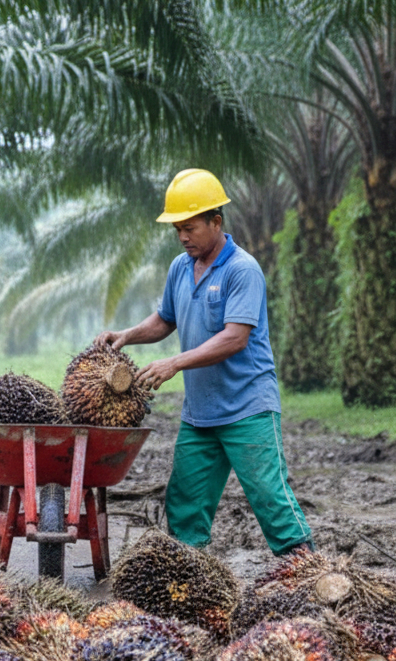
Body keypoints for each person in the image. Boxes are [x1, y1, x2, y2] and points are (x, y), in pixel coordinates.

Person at [95, 168, 313, 556]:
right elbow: (165, 319)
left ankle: (309, 574)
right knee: (184, 505)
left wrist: (175, 363)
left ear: (216, 221)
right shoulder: (180, 267)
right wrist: (126, 335)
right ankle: (189, 583)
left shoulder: (242, 270)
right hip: (200, 415)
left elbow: (235, 337)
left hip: (248, 409)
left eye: (190, 227)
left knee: (270, 499)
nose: (182, 236)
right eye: (177, 228)